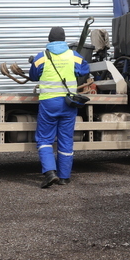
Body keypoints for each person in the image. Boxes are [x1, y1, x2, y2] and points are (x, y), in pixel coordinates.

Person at [28, 26, 90, 188]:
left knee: (44, 138)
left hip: (49, 103)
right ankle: (64, 176)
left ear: (49, 39)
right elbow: (85, 70)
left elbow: (33, 76)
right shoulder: (74, 56)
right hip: (69, 103)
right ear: (64, 39)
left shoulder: (41, 57)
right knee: (65, 139)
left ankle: (49, 173)